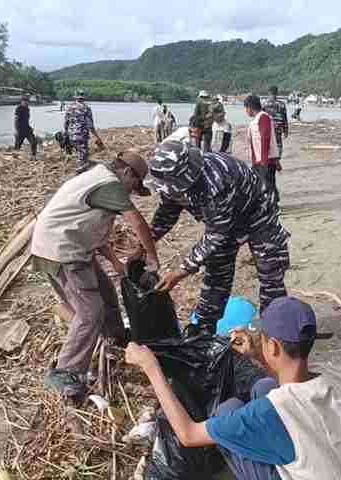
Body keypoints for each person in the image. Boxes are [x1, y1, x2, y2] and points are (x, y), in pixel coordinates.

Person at [124, 297, 341, 480]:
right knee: (264, 385)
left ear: (273, 346)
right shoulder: (333, 383)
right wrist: (260, 357)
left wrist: (151, 367)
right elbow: (291, 384)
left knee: (227, 409)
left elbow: (188, 435)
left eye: (261, 338)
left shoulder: (269, 413)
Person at [32, 151, 159, 396]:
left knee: (107, 294)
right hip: (61, 251)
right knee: (90, 312)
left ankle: (116, 339)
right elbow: (138, 223)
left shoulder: (99, 182)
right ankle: (65, 371)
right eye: (134, 185)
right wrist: (152, 256)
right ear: (127, 173)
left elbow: (95, 232)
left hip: (73, 246)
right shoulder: (109, 184)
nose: (132, 191)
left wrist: (115, 262)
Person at [141, 140, 290, 335]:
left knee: (270, 273)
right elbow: (168, 212)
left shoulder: (217, 183)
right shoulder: (173, 181)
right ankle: (203, 329)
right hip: (222, 222)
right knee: (216, 274)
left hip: (258, 215)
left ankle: (277, 330)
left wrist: (180, 272)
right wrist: (146, 242)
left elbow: (215, 236)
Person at [245, 95, 281, 204]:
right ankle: (272, 202)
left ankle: (271, 205)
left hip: (264, 160)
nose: (246, 111)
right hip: (260, 160)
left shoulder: (263, 117)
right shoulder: (257, 120)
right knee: (264, 184)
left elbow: (265, 139)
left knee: (267, 185)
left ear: (250, 108)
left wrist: (264, 162)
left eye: (246, 108)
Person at [64, 90, 105, 174]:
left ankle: (80, 170)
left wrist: (67, 134)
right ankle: (80, 174)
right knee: (82, 158)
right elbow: (90, 125)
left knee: (80, 154)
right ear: (83, 97)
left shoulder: (70, 107)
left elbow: (66, 123)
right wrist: (97, 137)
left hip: (72, 135)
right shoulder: (86, 108)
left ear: (75, 97)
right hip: (81, 135)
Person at [263, 86, 289, 159]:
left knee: (267, 145)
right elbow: (285, 118)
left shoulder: (264, 104)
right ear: (277, 93)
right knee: (278, 146)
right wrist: (286, 130)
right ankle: (276, 161)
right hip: (278, 129)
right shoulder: (282, 104)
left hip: (267, 129)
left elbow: (261, 118)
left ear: (269, 93)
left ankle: (268, 161)